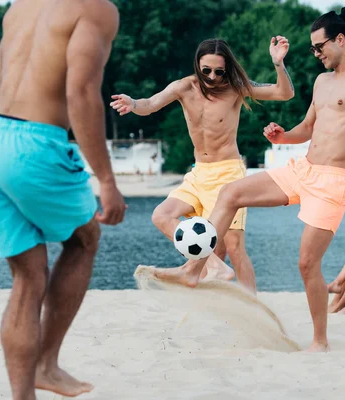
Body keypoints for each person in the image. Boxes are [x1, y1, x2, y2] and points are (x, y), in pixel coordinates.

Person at [153, 7, 345, 352]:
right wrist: (282, 137)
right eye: (313, 49)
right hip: (302, 170)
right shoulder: (321, 81)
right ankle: (195, 270)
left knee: (306, 263)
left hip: (332, 182)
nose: (316, 54)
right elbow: (309, 128)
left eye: (319, 47)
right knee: (231, 192)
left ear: (340, 39)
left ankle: (320, 341)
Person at [0, 1, 126, 398]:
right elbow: (81, 91)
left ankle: (24, 394)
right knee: (84, 239)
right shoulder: (97, 9)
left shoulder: (21, 6)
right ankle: (46, 364)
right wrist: (106, 179)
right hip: (33, 144)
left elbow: (9, 75)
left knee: (28, 274)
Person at [110, 37, 295, 292]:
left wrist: (278, 63)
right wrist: (133, 104)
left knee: (233, 245)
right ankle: (214, 267)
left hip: (227, 173)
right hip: (198, 174)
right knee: (161, 215)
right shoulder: (183, 87)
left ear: (227, 68)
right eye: (206, 70)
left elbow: (284, 93)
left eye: (219, 71)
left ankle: (253, 305)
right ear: (197, 64)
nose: (212, 76)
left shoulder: (235, 87)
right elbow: (150, 105)